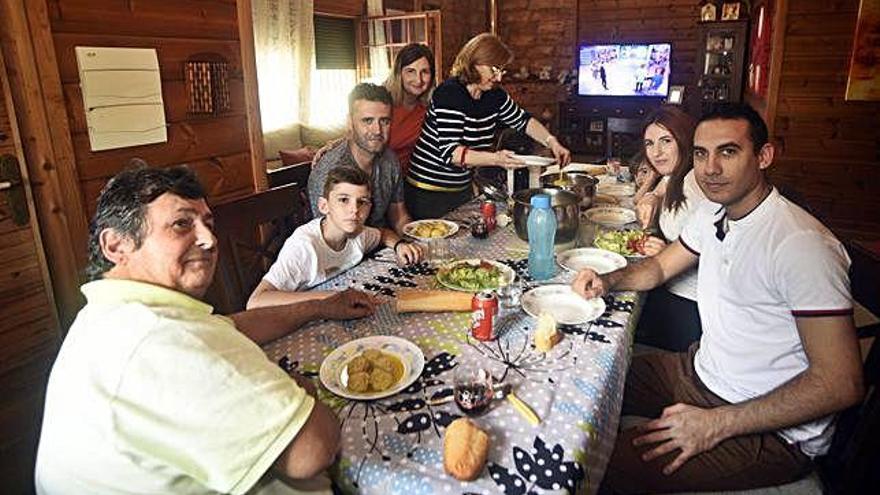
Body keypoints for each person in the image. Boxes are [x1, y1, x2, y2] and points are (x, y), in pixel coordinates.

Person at [572, 103, 864, 493]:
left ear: (764, 156)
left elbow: (840, 382)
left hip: (772, 431)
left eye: (728, 151)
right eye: (700, 153)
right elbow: (658, 268)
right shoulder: (713, 214)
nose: (710, 168)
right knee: (584, 380)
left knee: (590, 468)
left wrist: (714, 424)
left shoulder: (800, 245)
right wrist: (608, 279)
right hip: (700, 373)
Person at [35, 164, 379, 494]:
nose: (210, 239)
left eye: (207, 223)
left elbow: (233, 326)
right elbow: (313, 449)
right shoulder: (157, 339)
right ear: (117, 245)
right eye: (182, 224)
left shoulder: (119, 314)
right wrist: (299, 388)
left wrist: (320, 306)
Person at [405, 33, 571, 219]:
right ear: (475, 62)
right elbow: (451, 153)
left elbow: (524, 121)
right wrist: (496, 159)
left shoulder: (495, 95)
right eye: (494, 69)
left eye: (502, 70)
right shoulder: (449, 93)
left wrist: (552, 141)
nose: (499, 77)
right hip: (428, 190)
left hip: (460, 188)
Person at [249, 167, 421, 308]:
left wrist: (399, 245)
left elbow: (383, 234)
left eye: (362, 202)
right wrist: (332, 297)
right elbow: (256, 301)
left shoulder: (359, 233)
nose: (354, 210)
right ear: (324, 206)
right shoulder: (304, 246)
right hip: (300, 314)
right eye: (344, 200)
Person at [632, 105, 712, 351]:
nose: (656, 152)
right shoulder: (677, 175)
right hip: (670, 288)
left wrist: (668, 250)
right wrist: (653, 195)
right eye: (649, 144)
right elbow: (658, 189)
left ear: (685, 139)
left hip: (693, 305)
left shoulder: (698, 184)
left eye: (666, 141)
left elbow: (719, 250)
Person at [307, 83, 416, 242]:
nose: (377, 130)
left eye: (384, 121)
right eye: (367, 121)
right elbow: (332, 240)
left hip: (383, 247)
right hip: (343, 257)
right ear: (350, 122)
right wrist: (390, 240)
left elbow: (398, 215)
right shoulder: (328, 171)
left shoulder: (390, 159)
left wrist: (416, 241)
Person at [385, 43, 435, 175]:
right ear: (398, 73)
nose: (418, 80)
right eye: (410, 71)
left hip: (411, 181)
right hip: (378, 178)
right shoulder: (382, 102)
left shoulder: (431, 108)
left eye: (424, 72)